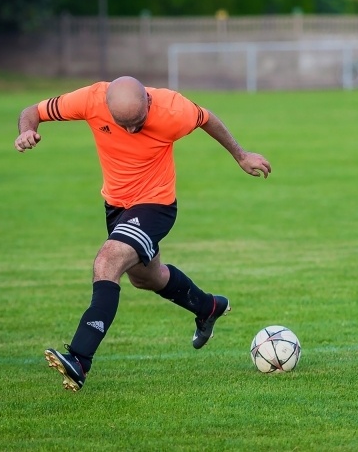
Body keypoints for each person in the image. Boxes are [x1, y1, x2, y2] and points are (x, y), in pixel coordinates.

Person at [14, 76, 271, 391]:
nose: (133, 131)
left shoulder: (173, 108)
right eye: (125, 125)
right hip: (116, 206)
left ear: (149, 102)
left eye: (138, 122)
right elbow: (33, 111)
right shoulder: (90, 99)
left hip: (155, 206)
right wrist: (28, 130)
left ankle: (80, 359)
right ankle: (207, 306)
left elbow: (208, 119)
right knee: (146, 278)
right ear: (107, 107)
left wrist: (241, 155)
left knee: (107, 262)